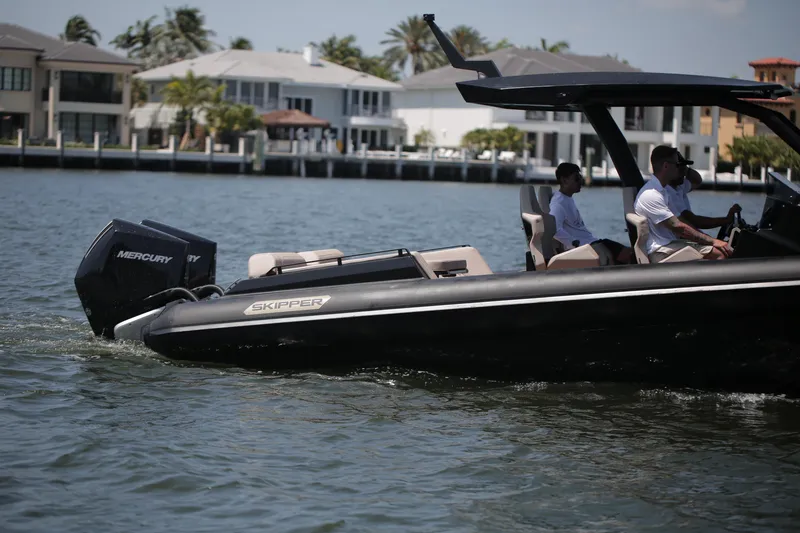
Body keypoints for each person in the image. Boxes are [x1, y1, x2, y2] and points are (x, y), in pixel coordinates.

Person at [634, 145, 732, 262]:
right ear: (666, 166)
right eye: (677, 164)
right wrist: (713, 241)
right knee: (719, 254)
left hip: (670, 244)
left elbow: (682, 222)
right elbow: (678, 227)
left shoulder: (662, 191)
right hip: (660, 251)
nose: (680, 168)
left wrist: (708, 239)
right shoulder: (652, 194)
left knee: (714, 247)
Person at [549, 162, 633, 265]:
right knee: (623, 256)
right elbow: (554, 229)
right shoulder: (558, 203)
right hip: (586, 246)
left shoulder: (567, 199)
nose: (580, 181)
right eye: (576, 178)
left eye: (580, 177)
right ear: (564, 180)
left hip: (592, 242)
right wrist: (574, 243)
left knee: (629, 253)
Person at [666, 152, 742, 231]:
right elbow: (694, 221)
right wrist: (726, 220)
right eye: (680, 168)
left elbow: (697, 180)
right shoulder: (668, 193)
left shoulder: (679, 186)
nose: (684, 173)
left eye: (684, 168)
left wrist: (687, 169)